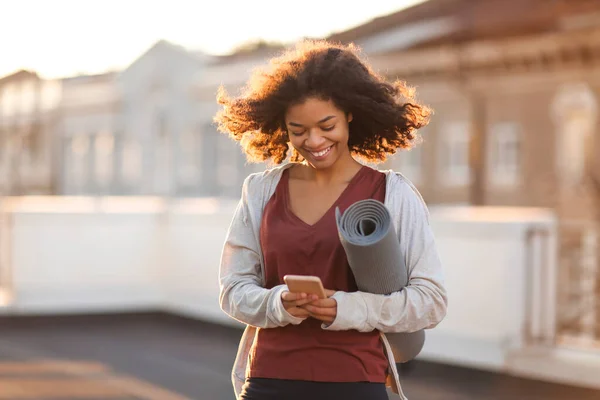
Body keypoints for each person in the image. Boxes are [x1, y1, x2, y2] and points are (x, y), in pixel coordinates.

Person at [215, 40, 447, 400]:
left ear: (349, 115)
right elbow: (232, 291)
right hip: (268, 382)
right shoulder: (261, 192)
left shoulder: (392, 194)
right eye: (299, 130)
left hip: (355, 382)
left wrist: (346, 308)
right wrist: (278, 303)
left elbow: (431, 301)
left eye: (327, 125)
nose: (314, 140)